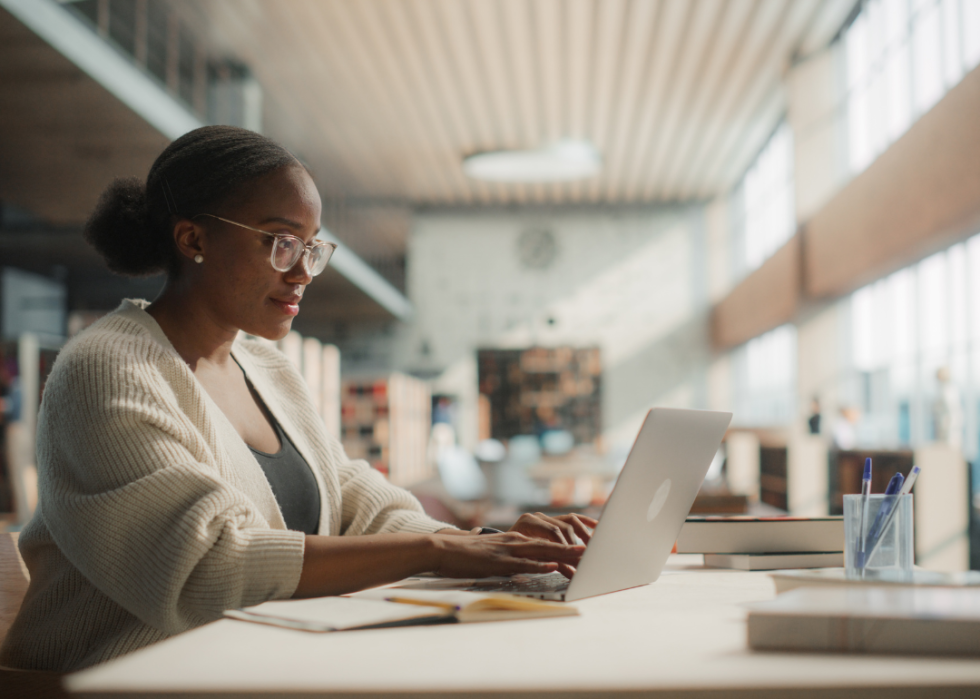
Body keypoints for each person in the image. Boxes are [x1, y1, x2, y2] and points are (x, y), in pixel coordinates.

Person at [0, 126, 594, 672]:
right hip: (128, 677)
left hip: (257, 661)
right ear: (193, 239)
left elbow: (354, 498)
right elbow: (209, 566)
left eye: (312, 248)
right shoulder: (106, 369)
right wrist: (437, 549)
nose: (304, 271)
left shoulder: (264, 365)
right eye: (281, 242)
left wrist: (485, 546)